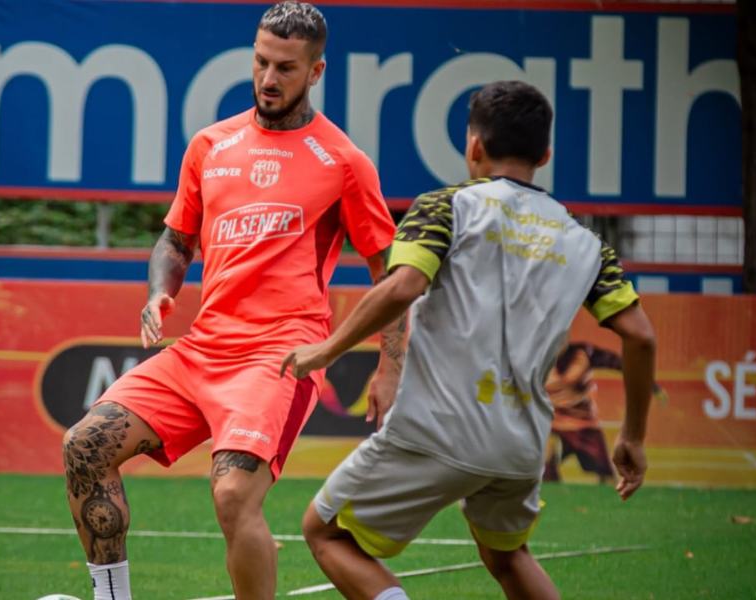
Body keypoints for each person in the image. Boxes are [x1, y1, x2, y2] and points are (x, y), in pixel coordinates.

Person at [61, 3, 402, 600]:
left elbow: (390, 270)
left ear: (316, 71)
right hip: (199, 351)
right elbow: (176, 239)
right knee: (84, 446)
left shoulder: (344, 162)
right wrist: (160, 292)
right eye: (261, 62)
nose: (269, 78)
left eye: (286, 68)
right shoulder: (211, 144)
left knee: (233, 494)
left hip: (279, 357)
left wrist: (391, 364)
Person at [281, 80, 657, 600]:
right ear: (545, 155)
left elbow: (403, 287)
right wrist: (633, 436)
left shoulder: (446, 206)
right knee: (508, 556)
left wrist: (325, 350)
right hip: (521, 443)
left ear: (473, 145)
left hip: (438, 429)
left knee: (325, 533)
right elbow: (641, 336)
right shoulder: (584, 242)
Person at [544, 335, 668, 484]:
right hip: (553, 426)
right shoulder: (535, 359)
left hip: (585, 428)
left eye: (562, 335)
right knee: (545, 454)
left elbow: (622, 364)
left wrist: (652, 386)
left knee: (607, 480)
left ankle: (609, 493)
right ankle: (552, 493)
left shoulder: (584, 353)